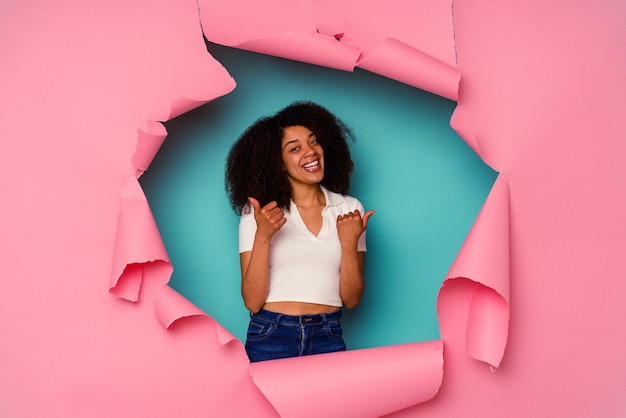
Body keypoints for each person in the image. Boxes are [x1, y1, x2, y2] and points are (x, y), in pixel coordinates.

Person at [225, 101, 374, 362]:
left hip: (328, 333)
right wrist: (263, 236)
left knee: (333, 404)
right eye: (295, 148)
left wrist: (349, 244)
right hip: (271, 334)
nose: (310, 152)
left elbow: (351, 299)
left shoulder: (350, 209)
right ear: (278, 163)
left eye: (314, 142)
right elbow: (252, 302)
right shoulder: (259, 215)